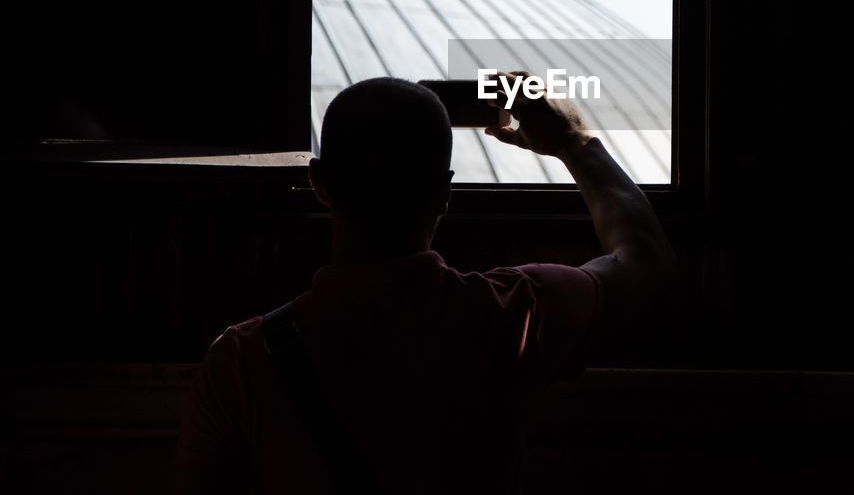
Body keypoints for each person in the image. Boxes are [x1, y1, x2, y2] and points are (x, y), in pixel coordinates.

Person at [176, 74, 676, 494]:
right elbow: (646, 263)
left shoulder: (241, 362)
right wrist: (575, 142)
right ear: (444, 193)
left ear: (320, 184)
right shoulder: (516, 314)